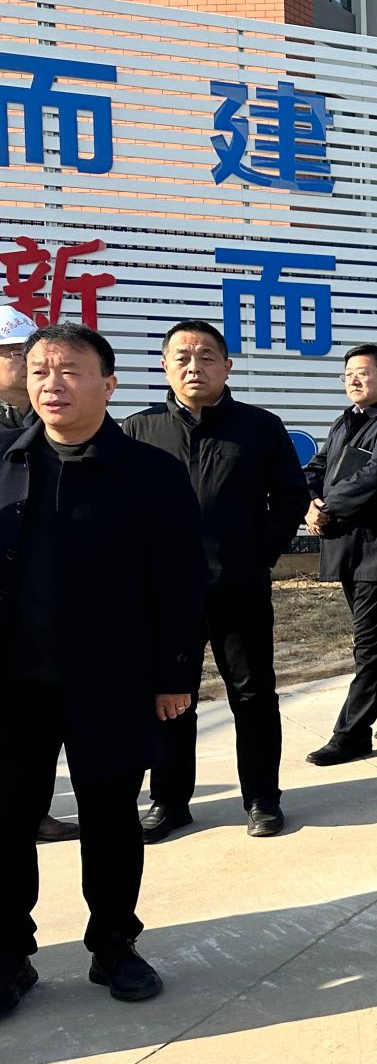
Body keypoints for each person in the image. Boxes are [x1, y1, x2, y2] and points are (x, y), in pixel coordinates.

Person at [0, 324, 206, 1017]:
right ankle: (9, 953)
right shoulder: (5, 461)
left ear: (108, 385)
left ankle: (114, 945)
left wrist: (175, 675)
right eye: (38, 371)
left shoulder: (151, 473)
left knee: (111, 817)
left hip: (112, 679)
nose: (50, 385)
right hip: (14, 684)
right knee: (7, 819)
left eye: (69, 371)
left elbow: (180, 581)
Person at [125, 320, 307, 840]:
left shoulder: (260, 427)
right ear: (164, 365)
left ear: (226, 367)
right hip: (163, 596)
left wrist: (258, 554)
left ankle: (262, 798)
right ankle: (169, 801)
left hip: (238, 588)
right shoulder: (137, 430)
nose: (194, 366)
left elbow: (291, 496)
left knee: (252, 695)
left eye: (207, 357)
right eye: (182, 356)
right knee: (169, 697)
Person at [302, 344, 377, 765]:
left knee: (370, 644)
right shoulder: (346, 421)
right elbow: (317, 469)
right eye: (348, 373)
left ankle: (352, 734)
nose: (353, 379)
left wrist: (327, 509)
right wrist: (309, 503)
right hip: (349, 548)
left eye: (363, 372)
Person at [0, 307, 79, 844]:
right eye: (14, 353)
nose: (25, 363)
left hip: (52, 599)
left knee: (41, 721)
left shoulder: (59, 420)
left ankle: (36, 810)